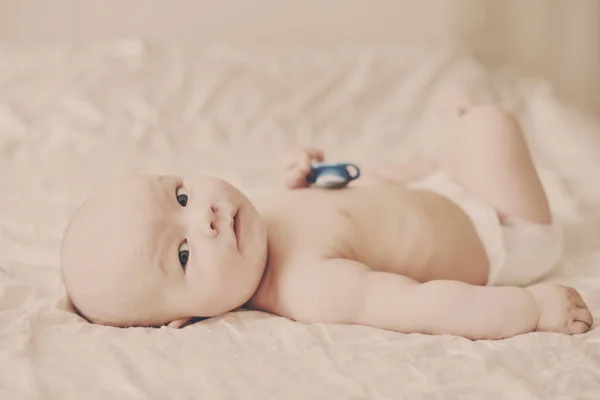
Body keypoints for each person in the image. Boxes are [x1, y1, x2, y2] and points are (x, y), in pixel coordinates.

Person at [60, 104, 593, 340]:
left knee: (406, 163)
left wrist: (309, 178)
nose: (207, 215)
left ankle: (449, 156)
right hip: (502, 232)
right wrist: (532, 309)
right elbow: (423, 305)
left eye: (180, 194)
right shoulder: (308, 286)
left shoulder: (254, 224)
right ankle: (466, 140)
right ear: (183, 319)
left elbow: (341, 205)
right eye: (182, 254)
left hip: (438, 194)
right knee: (487, 123)